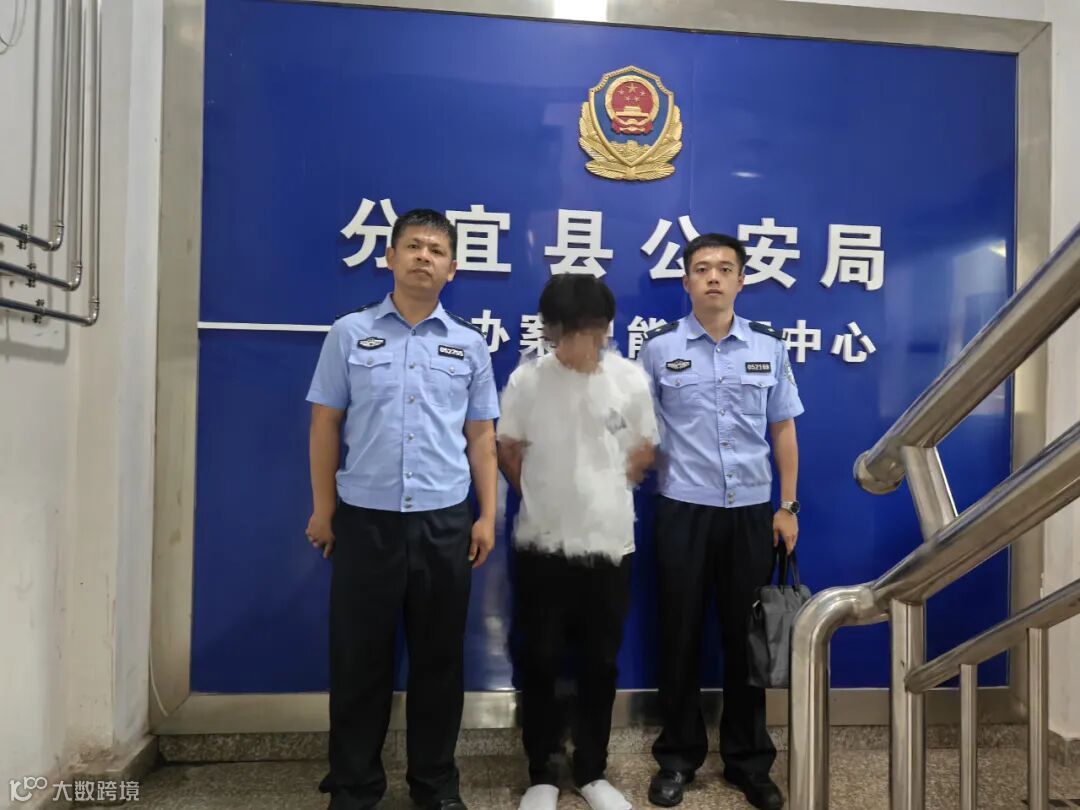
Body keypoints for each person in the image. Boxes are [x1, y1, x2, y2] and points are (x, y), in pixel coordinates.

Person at [305, 209, 500, 810]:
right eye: (413, 246)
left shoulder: (468, 344)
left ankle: (435, 786)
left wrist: (487, 516)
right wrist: (323, 509)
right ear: (389, 257)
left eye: (436, 250)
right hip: (365, 521)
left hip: (444, 521)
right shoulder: (349, 333)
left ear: (453, 268)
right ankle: (354, 786)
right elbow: (324, 425)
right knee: (359, 660)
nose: (424, 257)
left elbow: (482, 438)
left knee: (439, 662)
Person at [638, 233, 803, 810]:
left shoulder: (768, 347)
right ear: (686, 281)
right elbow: (640, 433)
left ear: (741, 280)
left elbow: (783, 429)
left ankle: (749, 761)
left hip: (752, 511)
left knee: (746, 641)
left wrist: (788, 506)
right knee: (679, 635)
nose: (713, 277)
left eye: (725, 268)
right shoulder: (658, 350)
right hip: (682, 508)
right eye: (702, 268)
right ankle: (677, 757)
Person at [496, 274, 659, 810]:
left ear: (607, 329)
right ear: (550, 331)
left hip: (610, 545)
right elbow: (508, 451)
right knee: (539, 658)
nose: (582, 344)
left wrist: (600, 491)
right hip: (541, 545)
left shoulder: (629, 380)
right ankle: (542, 772)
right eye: (569, 333)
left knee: (600, 661)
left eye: (593, 331)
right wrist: (548, 497)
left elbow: (643, 453)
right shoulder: (527, 381)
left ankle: (592, 771)